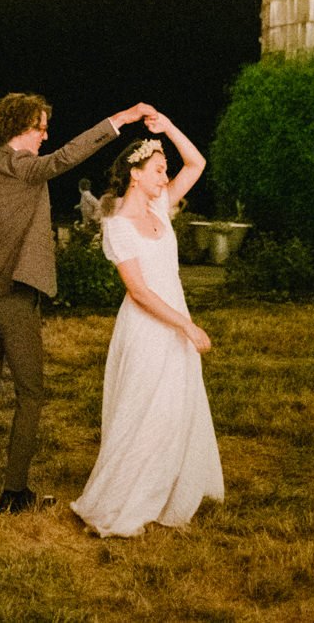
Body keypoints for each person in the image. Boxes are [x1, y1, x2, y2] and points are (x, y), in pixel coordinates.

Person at [0, 93, 153, 518]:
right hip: (13, 293)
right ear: (21, 127)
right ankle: (15, 492)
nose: (46, 134)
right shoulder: (22, 167)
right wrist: (123, 118)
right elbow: (65, 158)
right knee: (31, 392)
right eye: (41, 127)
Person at [70, 113, 223, 536]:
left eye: (165, 170)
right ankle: (120, 502)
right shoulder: (117, 224)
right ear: (135, 175)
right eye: (158, 169)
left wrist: (169, 129)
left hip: (174, 316)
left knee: (175, 409)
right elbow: (138, 291)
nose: (165, 176)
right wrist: (187, 327)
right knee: (142, 412)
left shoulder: (160, 206)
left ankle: (167, 491)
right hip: (146, 327)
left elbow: (197, 165)